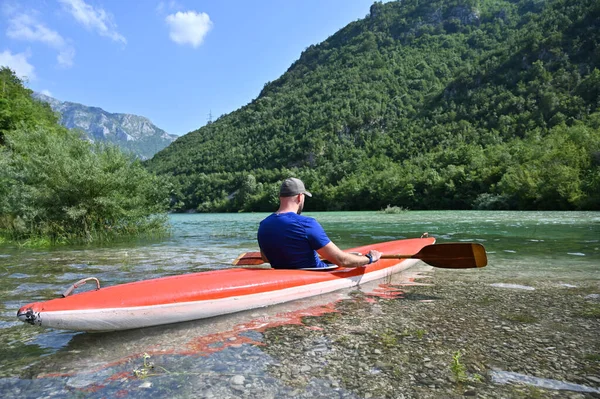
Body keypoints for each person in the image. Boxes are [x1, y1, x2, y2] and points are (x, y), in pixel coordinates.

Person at [257, 177, 382, 269]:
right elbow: (342, 260)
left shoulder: (263, 225)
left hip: (282, 275)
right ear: (300, 197)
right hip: (315, 274)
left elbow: (266, 258)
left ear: (280, 197)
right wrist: (370, 258)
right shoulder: (307, 223)